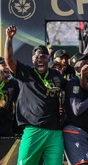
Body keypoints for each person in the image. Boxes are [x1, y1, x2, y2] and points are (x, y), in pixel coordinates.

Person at [4, 25, 67, 165]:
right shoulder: (26, 73)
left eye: (43, 56)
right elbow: (9, 60)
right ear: (32, 60)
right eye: (37, 56)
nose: (40, 59)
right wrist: (9, 38)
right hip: (33, 129)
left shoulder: (56, 75)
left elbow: (64, 94)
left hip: (54, 132)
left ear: (48, 59)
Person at [0, 57, 20, 137]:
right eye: (4, 65)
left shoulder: (14, 84)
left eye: (8, 65)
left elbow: (18, 106)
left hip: (6, 128)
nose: (7, 67)